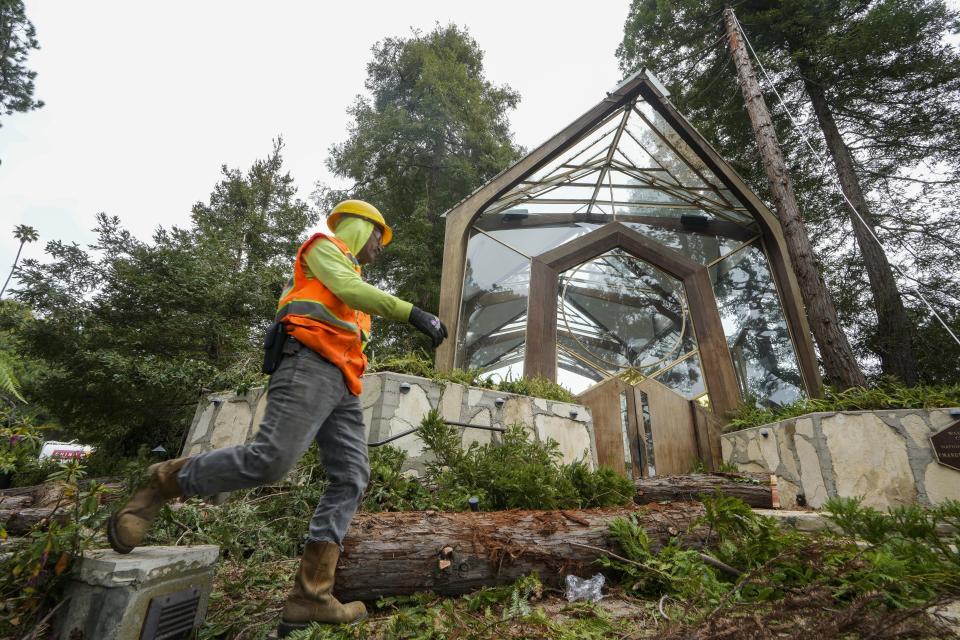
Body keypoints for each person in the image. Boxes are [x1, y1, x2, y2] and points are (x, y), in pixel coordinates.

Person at [107, 200, 447, 635]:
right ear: (361, 227)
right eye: (379, 235)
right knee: (270, 461)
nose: (381, 246)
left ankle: (310, 596)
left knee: (351, 476)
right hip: (306, 364)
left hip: (342, 383)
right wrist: (413, 312)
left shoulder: (357, 282)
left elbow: (349, 313)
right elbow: (346, 290)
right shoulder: (324, 249)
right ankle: (163, 481)